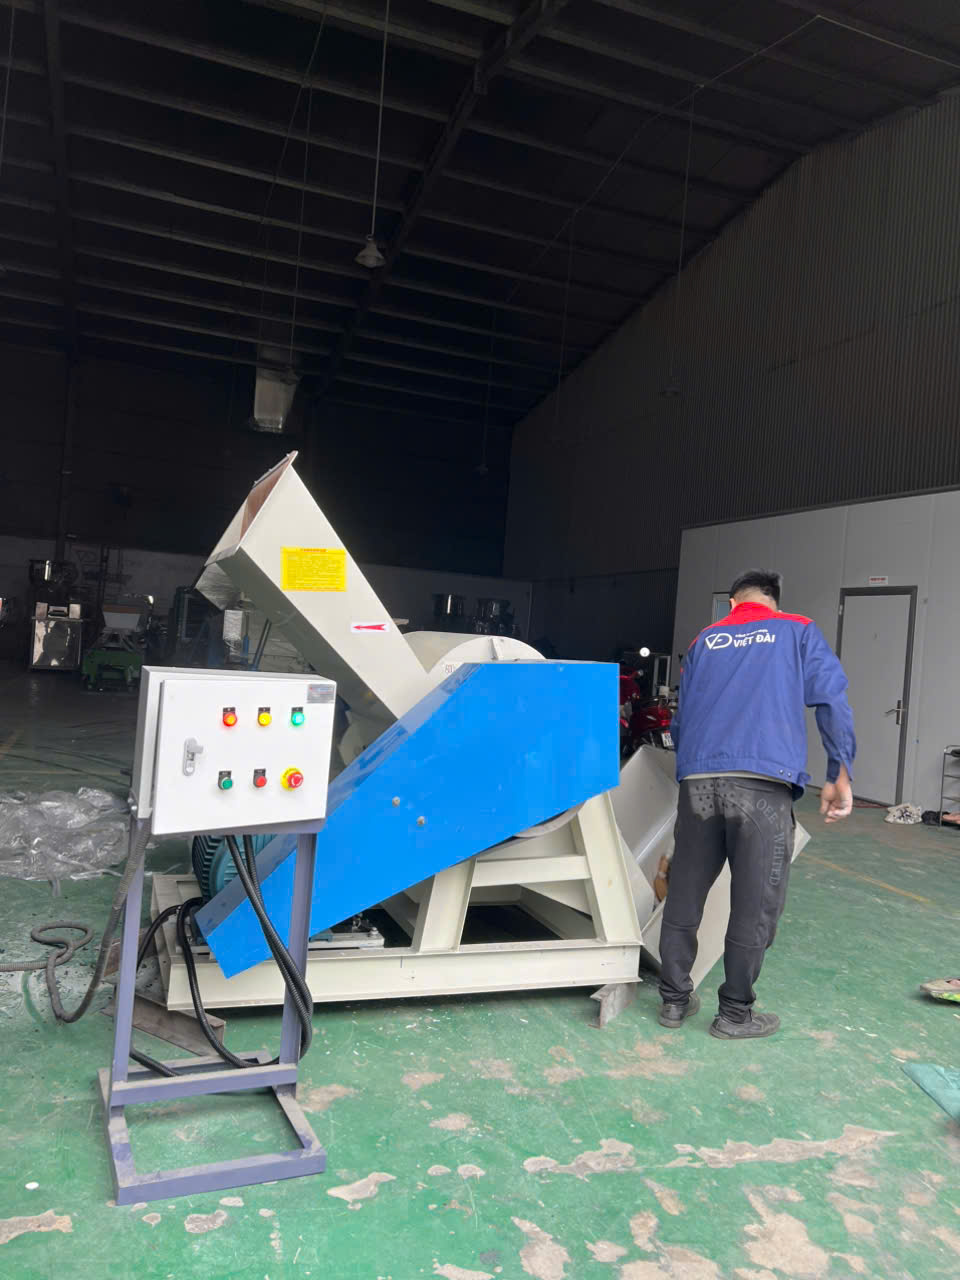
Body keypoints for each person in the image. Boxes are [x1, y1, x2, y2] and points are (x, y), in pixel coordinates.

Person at [659, 569, 855, 1040]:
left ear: (733, 603)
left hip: (700, 783)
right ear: (774, 602)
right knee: (754, 902)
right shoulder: (797, 629)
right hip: (762, 786)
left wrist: (694, 770)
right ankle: (734, 1014)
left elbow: (681, 721)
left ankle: (673, 1001)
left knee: (685, 891)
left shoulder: (705, 641)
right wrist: (839, 771)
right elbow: (831, 699)